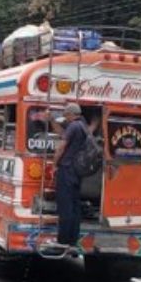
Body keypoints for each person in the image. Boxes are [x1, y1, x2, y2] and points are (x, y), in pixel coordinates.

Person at [52, 102, 89, 253]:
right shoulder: (83, 126)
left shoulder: (73, 126)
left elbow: (62, 145)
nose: (65, 118)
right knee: (74, 207)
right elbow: (62, 133)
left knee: (65, 206)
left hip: (66, 169)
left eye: (66, 115)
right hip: (77, 171)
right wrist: (51, 120)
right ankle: (73, 241)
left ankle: (62, 241)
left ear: (71, 114)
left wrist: (55, 164)